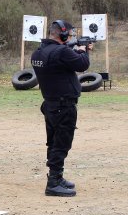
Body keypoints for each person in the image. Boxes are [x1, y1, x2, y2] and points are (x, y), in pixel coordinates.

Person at [31, 20, 93, 197]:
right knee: (62, 143)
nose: (71, 37)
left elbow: (60, 65)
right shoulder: (62, 51)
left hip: (50, 104)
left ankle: (56, 177)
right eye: (70, 34)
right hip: (64, 105)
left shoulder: (38, 52)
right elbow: (82, 65)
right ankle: (53, 183)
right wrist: (85, 51)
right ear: (63, 34)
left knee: (54, 142)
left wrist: (75, 50)